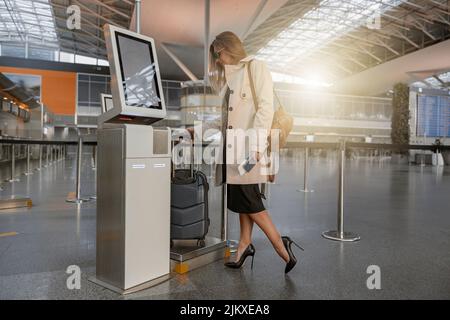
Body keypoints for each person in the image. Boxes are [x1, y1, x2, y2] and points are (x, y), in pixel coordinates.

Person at [189, 31, 303, 274]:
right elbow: (223, 120)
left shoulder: (256, 67)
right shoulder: (230, 80)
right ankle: (244, 245)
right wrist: (197, 131)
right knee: (243, 199)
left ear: (227, 47)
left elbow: (265, 108)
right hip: (233, 153)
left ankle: (280, 245)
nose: (218, 60)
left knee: (250, 201)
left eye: (218, 54)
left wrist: (257, 147)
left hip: (250, 151)